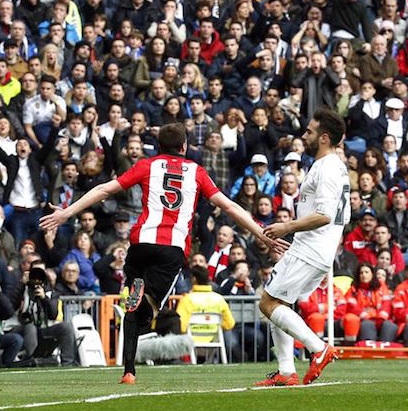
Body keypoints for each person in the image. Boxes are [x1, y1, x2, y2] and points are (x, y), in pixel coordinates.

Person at [40, 123, 287, 384]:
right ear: (184, 147)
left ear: (158, 146)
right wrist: (261, 234)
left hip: (140, 244)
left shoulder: (148, 165)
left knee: (132, 308)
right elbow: (228, 206)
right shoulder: (197, 172)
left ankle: (129, 371)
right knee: (149, 309)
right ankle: (145, 305)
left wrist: (67, 213)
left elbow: (105, 189)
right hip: (172, 248)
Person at [259, 108, 350, 387]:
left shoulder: (327, 168)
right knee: (279, 302)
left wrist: (288, 227)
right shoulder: (333, 165)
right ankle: (286, 372)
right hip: (315, 248)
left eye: (309, 131)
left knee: (268, 302)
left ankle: (318, 348)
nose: (304, 135)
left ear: (323, 138)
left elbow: (324, 214)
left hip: (311, 248)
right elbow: (342, 216)